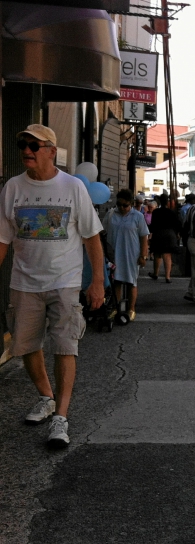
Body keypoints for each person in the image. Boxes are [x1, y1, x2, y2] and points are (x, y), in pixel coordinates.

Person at [0, 124, 105, 448]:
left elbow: (92, 239)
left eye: (34, 145)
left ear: (51, 150)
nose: (27, 150)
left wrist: (97, 283)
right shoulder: (13, 188)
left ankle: (60, 416)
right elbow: (3, 240)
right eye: (23, 145)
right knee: (26, 347)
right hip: (24, 283)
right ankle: (46, 397)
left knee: (64, 347)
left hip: (65, 282)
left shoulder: (73, 187)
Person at [103, 189, 149, 320]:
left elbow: (144, 237)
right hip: (114, 253)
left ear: (131, 204)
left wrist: (143, 255)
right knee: (116, 281)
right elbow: (103, 232)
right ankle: (116, 308)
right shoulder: (111, 214)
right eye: (119, 204)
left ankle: (131, 309)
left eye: (125, 205)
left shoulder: (138, 216)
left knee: (131, 282)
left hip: (131, 254)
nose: (122, 208)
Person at [147, 196, 181, 282]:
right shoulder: (171, 212)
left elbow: (153, 224)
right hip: (169, 234)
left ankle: (156, 273)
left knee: (157, 254)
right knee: (167, 255)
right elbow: (177, 224)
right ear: (167, 202)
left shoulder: (156, 212)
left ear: (159, 202)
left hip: (158, 233)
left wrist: (151, 234)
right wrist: (177, 233)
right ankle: (167, 277)